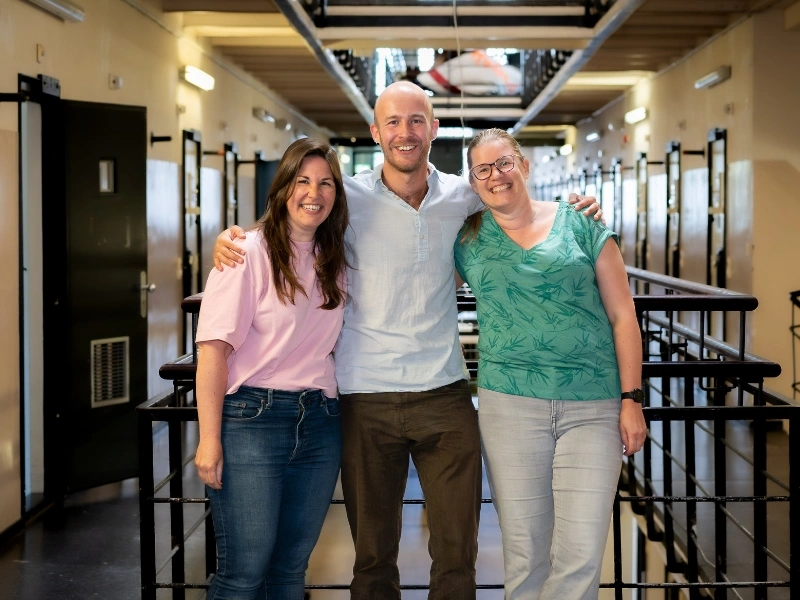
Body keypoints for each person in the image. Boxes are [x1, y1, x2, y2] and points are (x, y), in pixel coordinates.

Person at [212, 81, 602, 600]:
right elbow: (295, 219)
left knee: (457, 558)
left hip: (444, 393)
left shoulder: (463, 197)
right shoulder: (345, 195)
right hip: (362, 396)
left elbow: (516, 205)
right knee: (372, 560)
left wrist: (576, 210)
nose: (405, 132)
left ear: (433, 129)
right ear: (376, 132)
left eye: (416, 120)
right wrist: (235, 236)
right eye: (393, 122)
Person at [454, 128, 647, 600]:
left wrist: (631, 400)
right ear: (473, 183)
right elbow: (400, 264)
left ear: (523, 164)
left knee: (580, 555)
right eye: (483, 170)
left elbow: (624, 317)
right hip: (510, 408)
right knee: (525, 553)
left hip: (594, 407)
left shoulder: (582, 223)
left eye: (503, 163)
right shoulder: (466, 240)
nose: (496, 176)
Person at [193, 138, 349, 600]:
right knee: (244, 572)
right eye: (302, 181)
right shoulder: (245, 254)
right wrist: (208, 439)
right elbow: (213, 352)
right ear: (282, 188)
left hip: (321, 422)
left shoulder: (337, 258)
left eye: (325, 183)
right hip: (252, 420)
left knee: (289, 571)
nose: (313, 193)